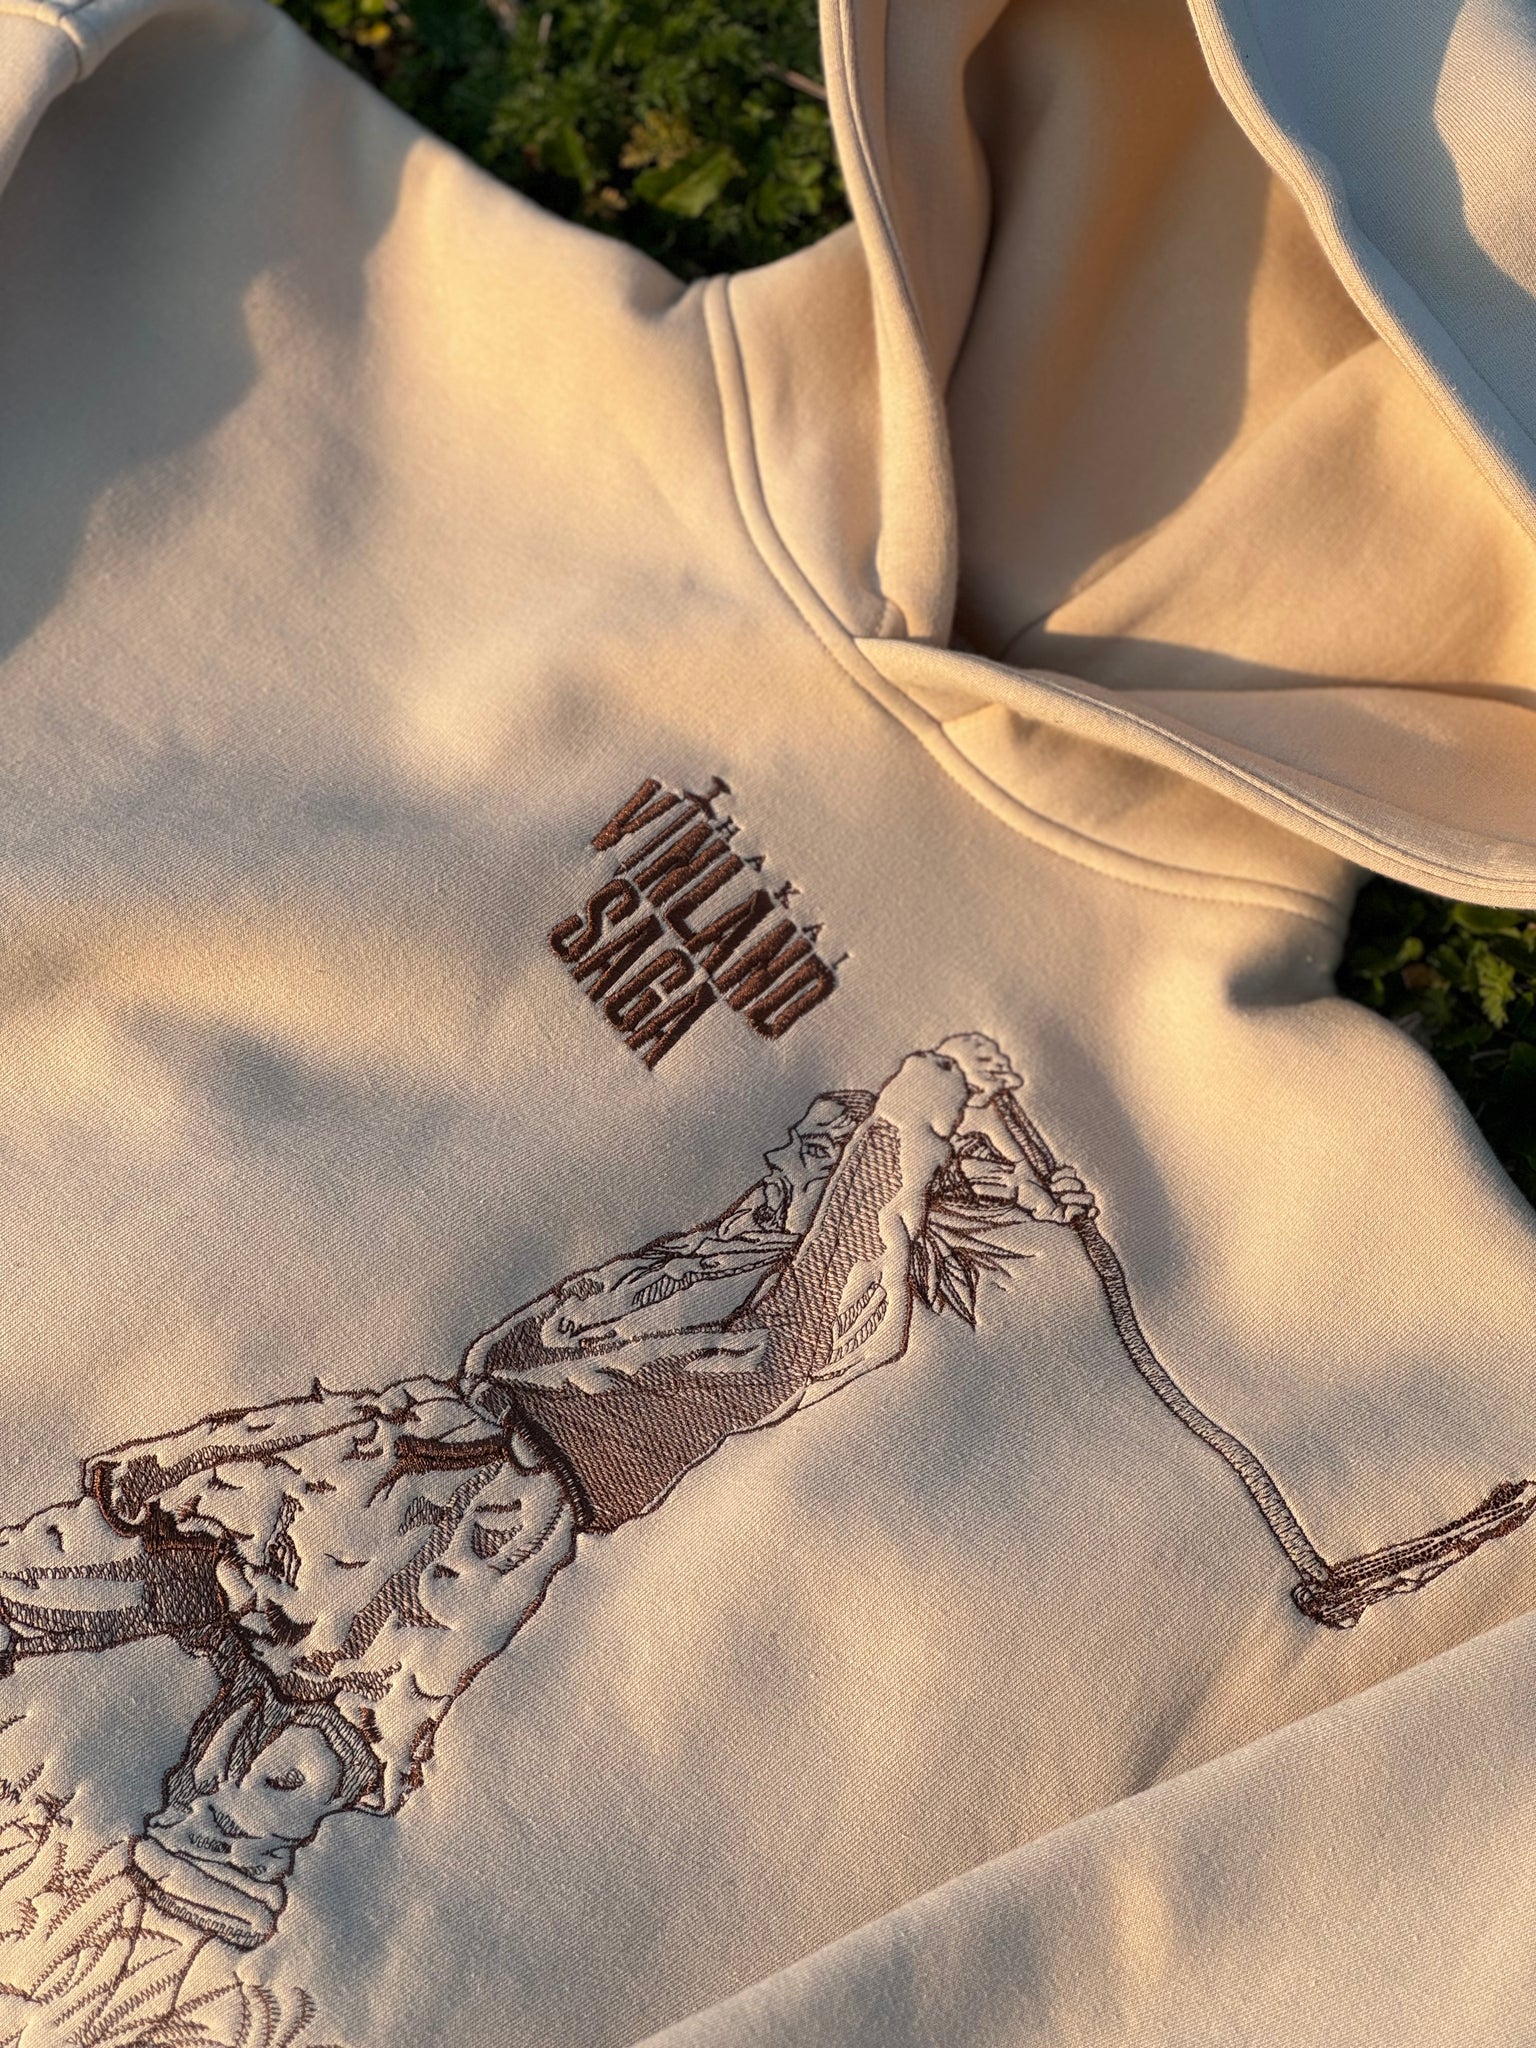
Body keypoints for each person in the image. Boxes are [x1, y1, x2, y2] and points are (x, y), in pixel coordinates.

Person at [0, 1036, 1092, 1947]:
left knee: (292, 1622)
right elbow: (817, 1224)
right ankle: (116, 1711)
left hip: (489, 1478)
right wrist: (941, 1120)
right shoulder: (762, 1282)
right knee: (231, 1562)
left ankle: (203, 1824)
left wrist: (957, 1128)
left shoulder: (787, 1293)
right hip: (482, 1461)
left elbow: (825, 1229)